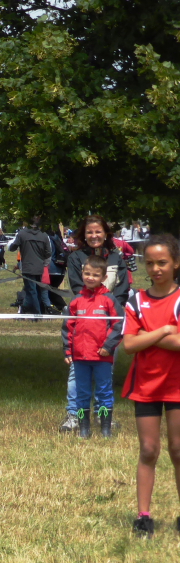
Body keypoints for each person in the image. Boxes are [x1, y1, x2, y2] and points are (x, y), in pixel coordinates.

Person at [119, 234, 180, 538]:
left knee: (178, 449)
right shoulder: (136, 300)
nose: (156, 268)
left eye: (162, 262)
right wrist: (165, 330)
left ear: (176, 263)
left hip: (177, 384)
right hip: (146, 385)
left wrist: (149, 334)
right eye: (150, 263)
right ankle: (143, 516)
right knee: (148, 449)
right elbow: (129, 345)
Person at [60, 216, 134, 433]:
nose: (94, 236)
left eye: (98, 231)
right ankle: (74, 415)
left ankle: (104, 417)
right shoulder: (76, 257)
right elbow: (77, 287)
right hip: (84, 323)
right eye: (89, 232)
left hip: (109, 324)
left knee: (105, 375)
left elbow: (123, 287)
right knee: (76, 374)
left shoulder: (116, 257)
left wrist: (110, 307)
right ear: (84, 234)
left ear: (105, 233)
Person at [62, 257, 122, 439]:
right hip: (80, 357)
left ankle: (105, 429)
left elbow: (119, 325)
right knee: (82, 393)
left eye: (95, 275)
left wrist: (108, 346)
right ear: (82, 274)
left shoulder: (109, 299)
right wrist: (68, 350)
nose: (90, 277)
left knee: (104, 391)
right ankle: (84, 429)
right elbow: (68, 327)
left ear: (104, 277)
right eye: (87, 273)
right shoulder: (76, 300)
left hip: (102, 356)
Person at [9, 217, 52, 320]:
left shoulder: (22, 234)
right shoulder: (44, 235)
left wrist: (13, 245)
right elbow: (48, 253)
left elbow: (12, 248)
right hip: (40, 268)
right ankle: (23, 312)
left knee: (32, 291)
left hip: (28, 267)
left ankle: (37, 315)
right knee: (33, 291)